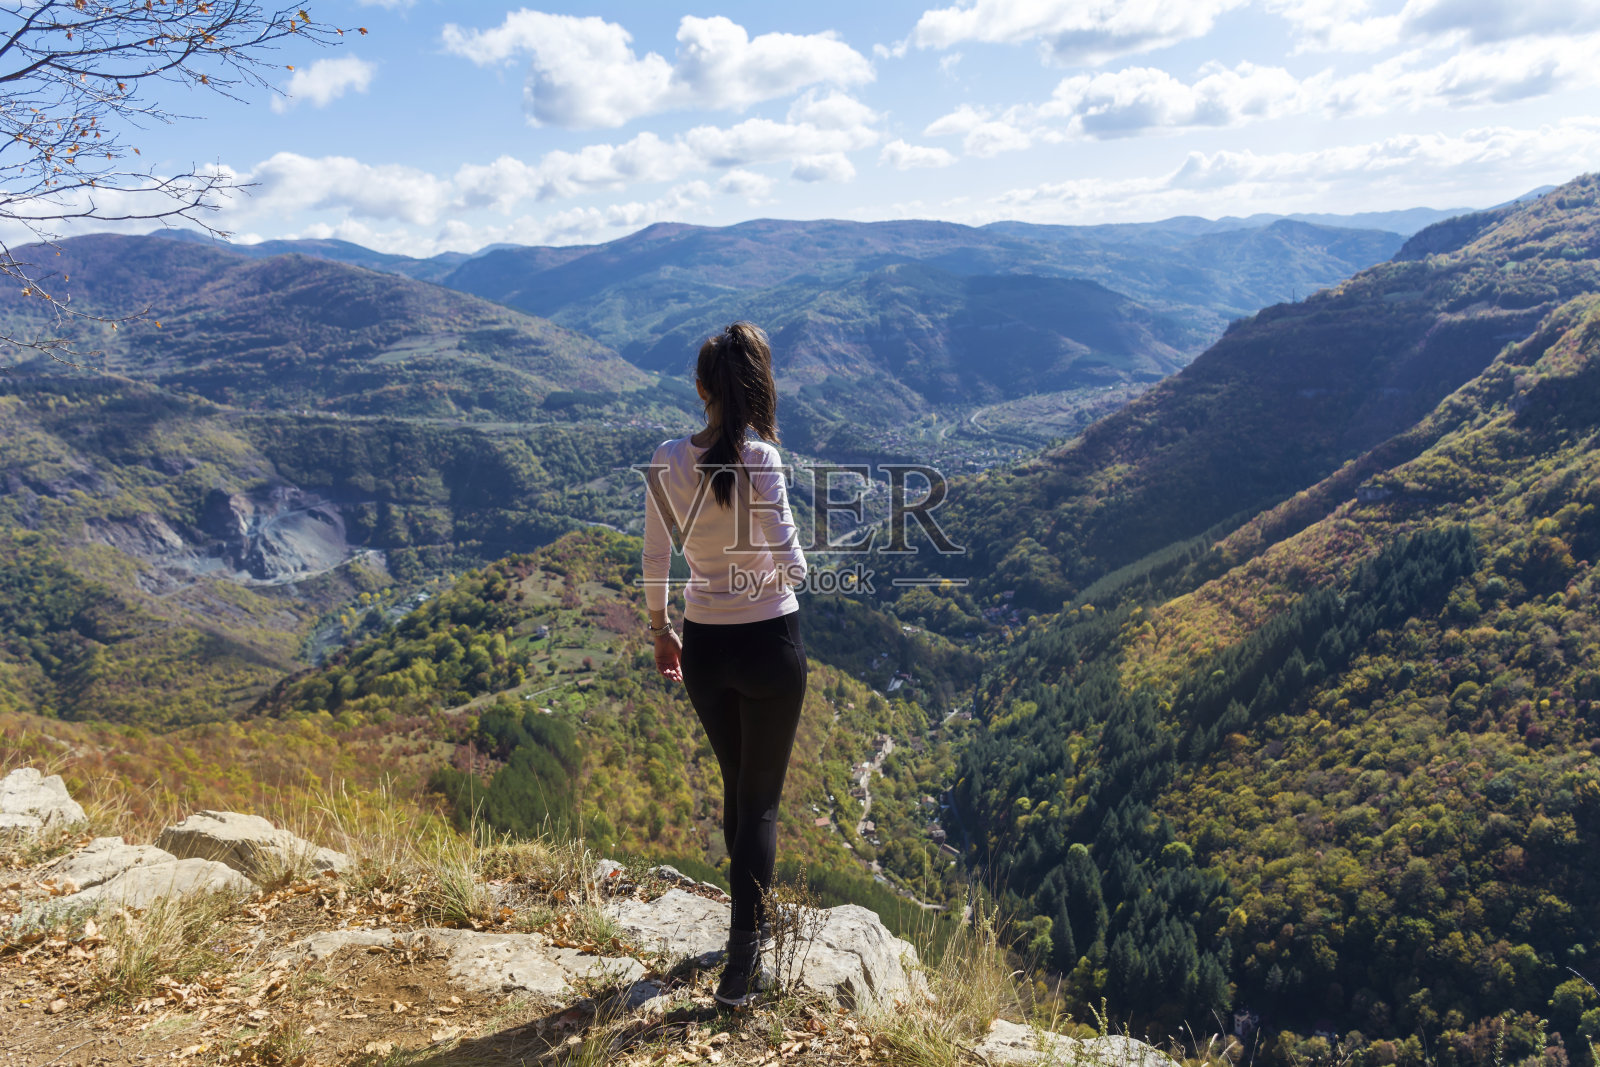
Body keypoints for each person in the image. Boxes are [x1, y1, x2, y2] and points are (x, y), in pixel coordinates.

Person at [640, 321, 808, 1007]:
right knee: (760, 803)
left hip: (704, 645)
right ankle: (742, 965)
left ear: (702, 389)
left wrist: (661, 632)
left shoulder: (665, 460)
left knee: (738, 791)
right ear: (755, 387)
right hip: (770, 642)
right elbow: (794, 561)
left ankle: (743, 937)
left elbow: (656, 559)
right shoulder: (762, 460)